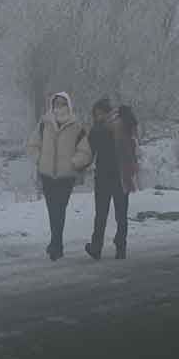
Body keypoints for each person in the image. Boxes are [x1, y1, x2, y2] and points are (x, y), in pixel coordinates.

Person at [27, 92, 91, 261]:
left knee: (59, 210)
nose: (59, 106)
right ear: (52, 105)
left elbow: (85, 150)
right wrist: (39, 160)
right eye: (56, 103)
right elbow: (33, 144)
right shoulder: (44, 123)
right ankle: (56, 243)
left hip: (65, 176)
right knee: (52, 210)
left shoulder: (77, 126)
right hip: (47, 174)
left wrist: (74, 163)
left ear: (68, 105)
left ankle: (56, 245)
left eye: (63, 103)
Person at [86, 100, 140, 260]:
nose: (96, 116)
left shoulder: (97, 129)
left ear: (102, 112)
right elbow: (134, 143)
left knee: (101, 214)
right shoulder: (122, 126)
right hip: (121, 177)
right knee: (121, 214)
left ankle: (96, 248)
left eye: (97, 113)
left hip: (103, 177)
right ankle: (121, 247)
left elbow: (89, 153)